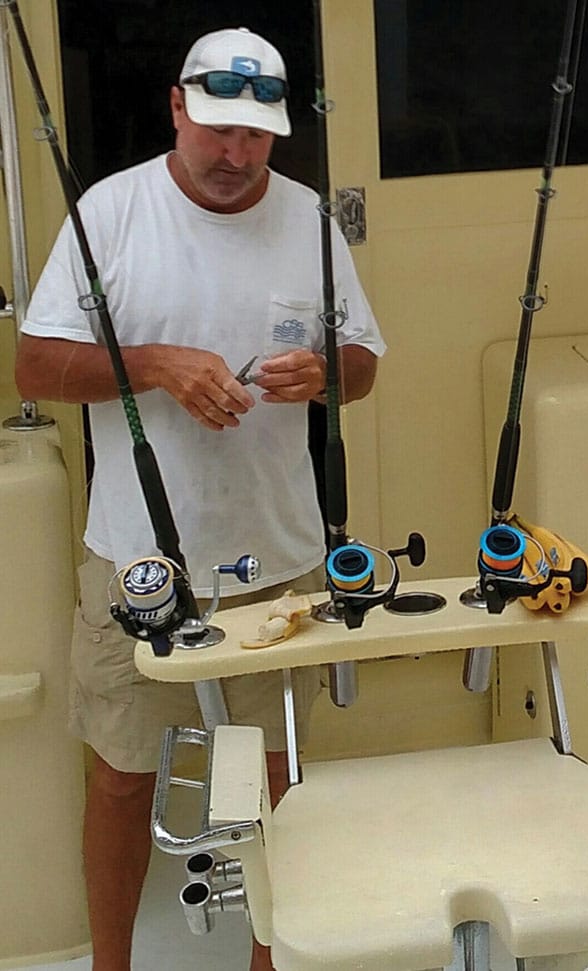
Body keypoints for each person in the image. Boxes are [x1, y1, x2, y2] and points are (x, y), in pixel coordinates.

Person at [15, 27, 385, 971]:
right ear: (178, 108)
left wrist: (324, 373)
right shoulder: (111, 212)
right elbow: (36, 364)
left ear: (279, 133)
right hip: (135, 555)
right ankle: (111, 964)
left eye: (256, 136)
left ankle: (271, 959)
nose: (234, 155)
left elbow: (365, 365)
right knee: (120, 776)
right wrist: (153, 366)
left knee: (275, 775)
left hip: (281, 551)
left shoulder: (309, 219)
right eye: (217, 129)